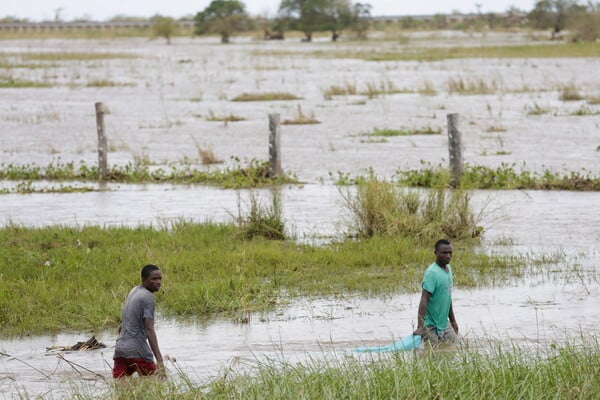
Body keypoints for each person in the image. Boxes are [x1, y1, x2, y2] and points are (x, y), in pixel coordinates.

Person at [113, 264, 164, 378]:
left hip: (120, 351)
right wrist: (160, 361)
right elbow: (149, 330)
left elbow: (122, 327)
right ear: (144, 280)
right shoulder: (148, 297)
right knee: (157, 384)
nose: (158, 282)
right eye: (154, 279)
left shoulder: (134, 291)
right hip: (138, 353)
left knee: (121, 389)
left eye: (160, 278)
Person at [413, 239, 459, 346]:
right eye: (444, 253)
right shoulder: (432, 273)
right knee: (432, 354)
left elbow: (447, 297)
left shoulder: (448, 269)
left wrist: (453, 321)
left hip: (444, 324)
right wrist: (420, 327)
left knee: (456, 348)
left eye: (450, 252)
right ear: (436, 253)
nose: (448, 256)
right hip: (430, 326)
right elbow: (424, 299)